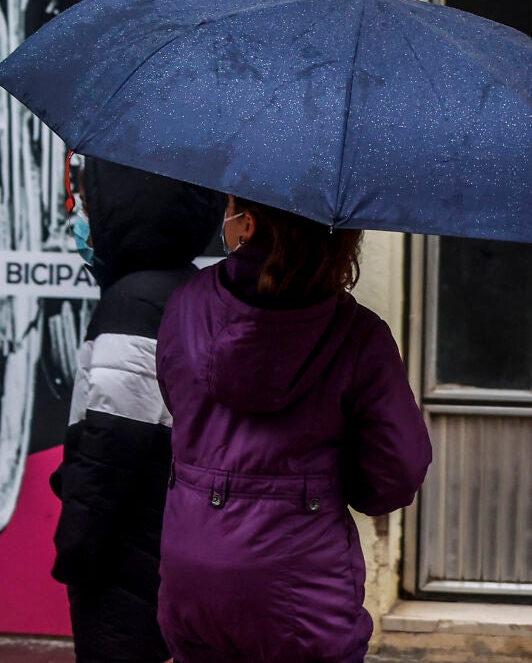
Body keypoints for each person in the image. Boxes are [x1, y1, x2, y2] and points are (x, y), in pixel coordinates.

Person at [157, 197, 433, 663]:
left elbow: (178, 402)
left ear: (248, 223)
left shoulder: (186, 305)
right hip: (304, 595)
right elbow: (397, 472)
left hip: (192, 577)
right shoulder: (359, 335)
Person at [50, 156, 222, 663]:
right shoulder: (194, 289)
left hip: (123, 555)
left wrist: (75, 543)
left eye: (90, 203)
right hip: (170, 540)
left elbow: (111, 440)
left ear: (124, 206)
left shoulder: (132, 302)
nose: (81, 217)